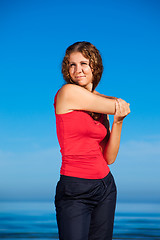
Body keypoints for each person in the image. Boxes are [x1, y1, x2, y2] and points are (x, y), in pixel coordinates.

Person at [53, 41, 130, 240]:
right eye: (72, 64)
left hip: (105, 187)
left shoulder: (99, 109)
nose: (77, 70)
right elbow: (117, 104)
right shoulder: (66, 93)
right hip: (75, 190)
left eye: (83, 63)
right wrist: (118, 107)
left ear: (94, 66)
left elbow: (109, 158)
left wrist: (118, 122)